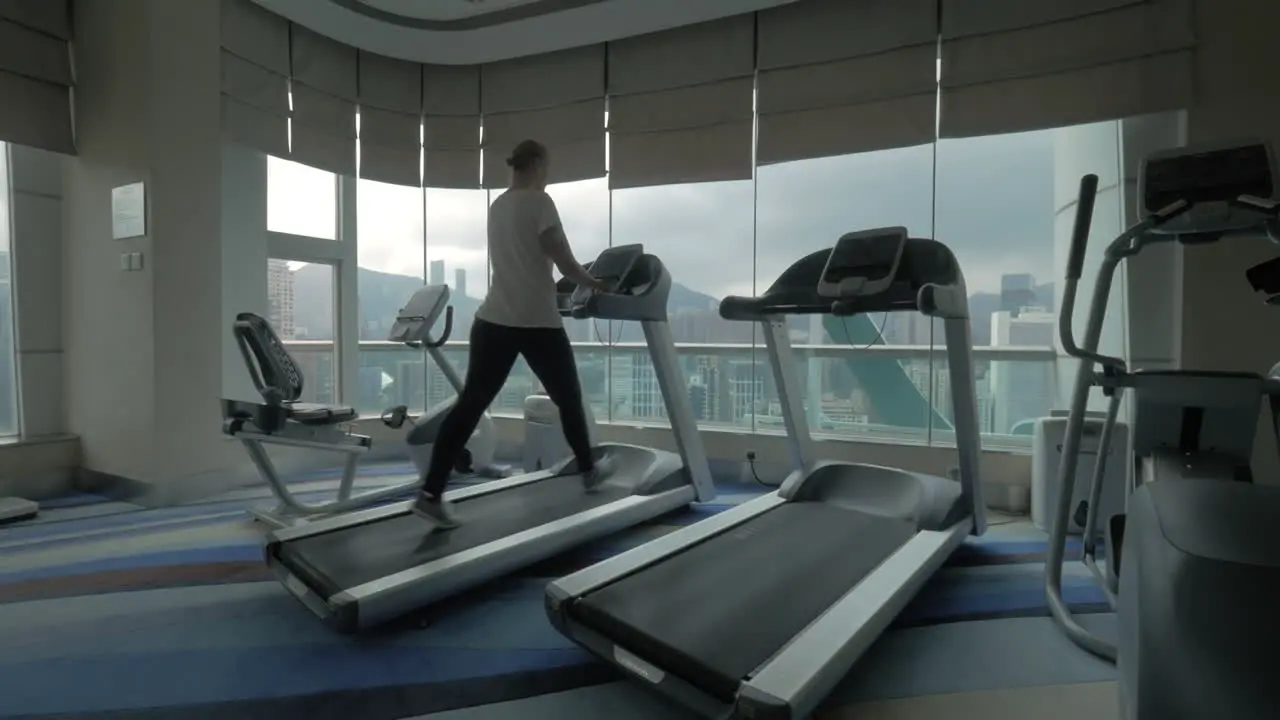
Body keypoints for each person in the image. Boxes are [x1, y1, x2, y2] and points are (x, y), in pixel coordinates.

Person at [412, 139, 611, 530]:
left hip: (492, 320)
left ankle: (430, 494)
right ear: (537, 163)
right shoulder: (541, 202)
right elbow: (563, 259)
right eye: (547, 168)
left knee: (470, 404)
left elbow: (522, 260)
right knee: (569, 398)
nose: (548, 176)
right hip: (536, 322)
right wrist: (595, 283)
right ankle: (589, 471)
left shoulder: (498, 205)